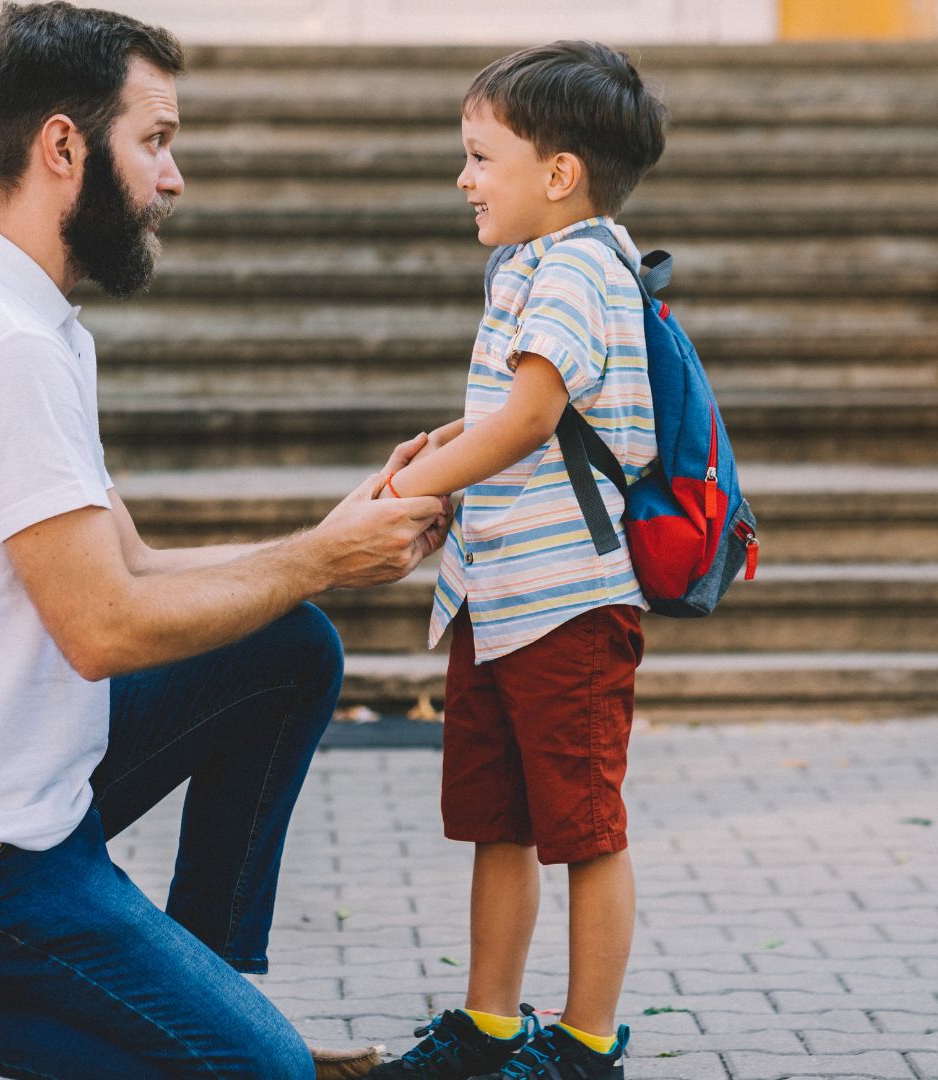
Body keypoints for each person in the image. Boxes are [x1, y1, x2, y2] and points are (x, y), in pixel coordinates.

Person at [0, 4, 449, 1078]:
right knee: (263, 1075)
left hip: (27, 789)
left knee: (289, 648)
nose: (172, 178)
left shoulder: (31, 319)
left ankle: (212, 1002)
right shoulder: (2, 348)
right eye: (156, 141)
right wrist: (321, 559)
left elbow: (127, 570)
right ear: (62, 146)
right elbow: (104, 627)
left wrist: (324, 540)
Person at [365, 41, 668, 1080]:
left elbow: (533, 417)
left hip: (570, 604)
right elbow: (506, 415)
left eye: (479, 155)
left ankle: (585, 1047)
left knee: (584, 827)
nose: (464, 177)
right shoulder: (534, 266)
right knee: (500, 821)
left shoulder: (583, 265)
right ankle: (490, 1023)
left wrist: (418, 487)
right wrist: (440, 454)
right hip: (499, 597)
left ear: (558, 173)